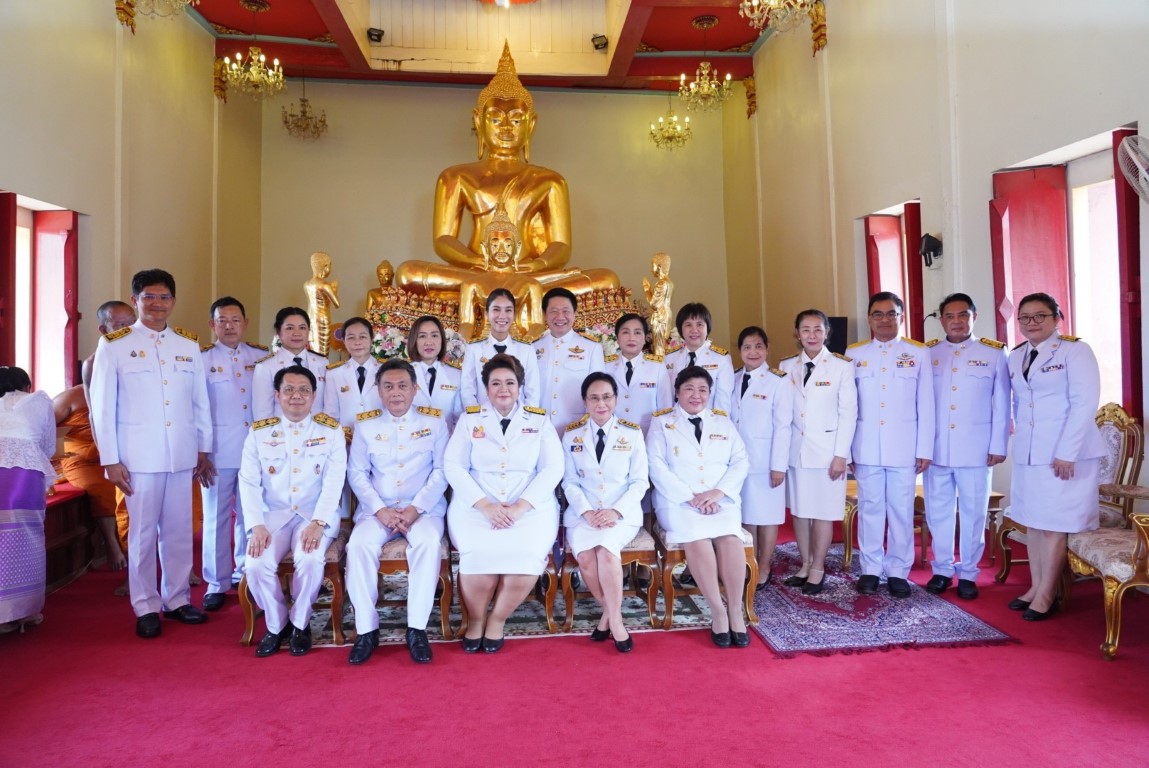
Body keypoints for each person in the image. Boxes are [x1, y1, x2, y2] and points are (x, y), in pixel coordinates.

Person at [393, 42, 619, 337]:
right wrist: (479, 262)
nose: (506, 127)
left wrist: (535, 265)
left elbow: (561, 246)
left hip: (531, 275)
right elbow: (443, 240)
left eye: (516, 119)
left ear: (531, 125)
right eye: (496, 119)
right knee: (407, 272)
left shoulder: (550, 180)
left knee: (607, 279)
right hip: (474, 272)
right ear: (478, 121)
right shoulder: (456, 176)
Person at [89, 269, 213, 638]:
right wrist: (110, 459)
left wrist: (203, 447)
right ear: (136, 301)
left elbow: (200, 402)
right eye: (149, 297)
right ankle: (145, 605)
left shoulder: (187, 345)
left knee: (178, 532)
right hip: (137, 458)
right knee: (142, 534)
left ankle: (177, 599)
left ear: (173, 301)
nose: (157, 304)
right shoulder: (114, 345)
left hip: (180, 454)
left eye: (164, 297)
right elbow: (102, 408)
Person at [445, 354, 563, 653]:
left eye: (510, 382)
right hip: (476, 507)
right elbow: (453, 466)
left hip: (529, 509)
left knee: (527, 553)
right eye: (495, 383)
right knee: (477, 555)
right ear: (486, 388)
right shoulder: (470, 420)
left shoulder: (538, 420)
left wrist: (520, 507)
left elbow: (553, 468)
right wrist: (485, 506)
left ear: (519, 386)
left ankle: (497, 619)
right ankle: (475, 620)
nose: (503, 389)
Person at [1006, 292, 1106, 621]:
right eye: (1025, 317)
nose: (1031, 323)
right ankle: (1036, 587)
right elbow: (1020, 405)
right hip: (1031, 452)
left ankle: (1047, 595)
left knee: (1053, 525)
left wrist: (1067, 452)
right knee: (1035, 523)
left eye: (1040, 316)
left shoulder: (1075, 351)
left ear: (1057, 318)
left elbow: (1084, 403)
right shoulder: (1017, 355)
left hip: (1066, 455)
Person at [345, 360, 449, 665]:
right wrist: (380, 510)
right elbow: (357, 473)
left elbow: (442, 470)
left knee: (427, 544)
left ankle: (416, 628)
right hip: (378, 510)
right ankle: (367, 630)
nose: (396, 392)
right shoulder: (365, 425)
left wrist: (416, 508)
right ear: (378, 391)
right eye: (388, 386)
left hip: (423, 511)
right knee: (358, 545)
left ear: (415, 389)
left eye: (403, 385)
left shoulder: (435, 422)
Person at [239, 366, 346, 657]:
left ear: (314, 395)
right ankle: (277, 624)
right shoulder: (260, 432)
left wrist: (319, 522)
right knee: (255, 564)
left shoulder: (330, 431)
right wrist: (256, 525)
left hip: (315, 515)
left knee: (309, 558)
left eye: (303, 390)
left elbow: (334, 481)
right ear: (277, 395)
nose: (296, 396)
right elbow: (248, 481)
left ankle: (301, 623)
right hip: (272, 516)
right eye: (288, 390)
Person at [648, 366, 751, 648]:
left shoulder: (723, 422)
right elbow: (656, 466)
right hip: (679, 503)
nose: (696, 395)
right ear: (677, 393)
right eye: (689, 389)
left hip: (720, 500)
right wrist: (690, 497)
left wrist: (718, 493)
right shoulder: (662, 423)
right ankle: (718, 611)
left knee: (730, 538)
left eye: (703, 390)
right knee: (697, 538)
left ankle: (735, 610)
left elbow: (740, 461)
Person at [922, 293, 1010, 599]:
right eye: (949, 316)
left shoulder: (993, 353)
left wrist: (998, 444)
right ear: (941, 320)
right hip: (937, 449)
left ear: (974, 317)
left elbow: (1002, 402)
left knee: (974, 513)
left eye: (963, 315)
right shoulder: (929, 353)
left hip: (976, 449)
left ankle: (969, 572)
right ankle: (942, 570)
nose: (956, 321)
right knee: (938, 512)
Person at [848, 292, 935, 599]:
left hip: (904, 447)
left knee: (901, 510)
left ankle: (898, 570)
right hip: (866, 446)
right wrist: (847, 449)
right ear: (869, 318)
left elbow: (926, 403)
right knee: (870, 509)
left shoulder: (918, 352)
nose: (884, 320)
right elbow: (848, 405)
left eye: (891, 314)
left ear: (901, 317)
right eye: (878, 314)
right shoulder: (854, 353)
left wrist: (924, 449)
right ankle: (870, 569)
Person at [561, 372, 647, 653]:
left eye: (607, 397)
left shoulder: (632, 433)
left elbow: (639, 482)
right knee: (586, 557)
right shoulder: (571, 434)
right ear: (585, 402)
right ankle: (612, 614)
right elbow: (569, 482)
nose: (601, 404)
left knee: (606, 553)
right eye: (594, 398)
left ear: (616, 399)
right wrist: (586, 512)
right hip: (583, 514)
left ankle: (613, 622)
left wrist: (615, 511)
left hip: (621, 514)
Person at [778, 309, 856, 595]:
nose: (811, 335)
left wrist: (841, 455)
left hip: (827, 453)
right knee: (800, 511)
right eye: (805, 330)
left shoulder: (841, 366)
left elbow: (848, 413)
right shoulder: (786, 366)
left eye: (817, 329)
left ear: (826, 332)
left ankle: (819, 567)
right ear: (797, 334)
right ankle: (805, 563)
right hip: (796, 451)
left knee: (822, 512)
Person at [199, 296, 268, 612]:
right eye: (222, 320)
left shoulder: (261, 357)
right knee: (216, 517)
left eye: (235, 320)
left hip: (255, 452)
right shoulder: (201, 360)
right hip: (217, 452)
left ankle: (245, 573)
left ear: (245, 323)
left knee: (250, 515)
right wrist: (201, 451)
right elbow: (196, 409)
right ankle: (216, 582)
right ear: (212, 324)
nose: (229, 326)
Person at [730, 327, 792, 590]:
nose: (753, 352)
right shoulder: (733, 378)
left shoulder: (778, 381)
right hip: (737, 462)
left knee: (767, 517)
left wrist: (778, 465)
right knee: (746, 516)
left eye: (758, 346)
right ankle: (749, 563)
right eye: (747, 347)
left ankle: (764, 566)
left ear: (767, 349)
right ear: (740, 350)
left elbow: (783, 426)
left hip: (766, 461)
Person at [0, 367, 55, 634]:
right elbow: (48, 446)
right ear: (25, 385)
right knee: (23, 543)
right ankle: (20, 613)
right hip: (23, 476)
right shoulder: (39, 400)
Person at [53, 384, 126, 573]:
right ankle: (111, 543)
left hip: (114, 455)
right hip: (81, 460)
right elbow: (45, 429)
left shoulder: (121, 390)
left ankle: (136, 544)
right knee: (103, 489)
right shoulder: (69, 398)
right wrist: (55, 457)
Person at [533, 287, 606, 430]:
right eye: (554, 311)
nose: (560, 317)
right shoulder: (533, 347)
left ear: (574, 314)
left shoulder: (591, 347)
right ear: (544, 315)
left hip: (577, 427)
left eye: (566, 311)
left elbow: (598, 391)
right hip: (540, 426)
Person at [459, 289, 540, 408]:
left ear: (514, 314)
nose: (502, 316)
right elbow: (468, 389)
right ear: (487, 313)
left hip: (518, 417)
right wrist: (477, 416)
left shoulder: (526, 349)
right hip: (482, 416)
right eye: (496, 309)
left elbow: (533, 391)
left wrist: (524, 418)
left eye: (508, 310)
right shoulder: (474, 348)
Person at [252, 307, 328, 421]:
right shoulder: (265, 367)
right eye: (290, 328)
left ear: (309, 331)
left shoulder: (322, 363)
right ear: (278, 332)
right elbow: (262, 413)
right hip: (281, 431)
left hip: (317, 430)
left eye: (302, 328)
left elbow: (328, 405)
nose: (297, 333)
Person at [603, 313, 672, 435]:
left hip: (647, 435)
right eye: (625, 332)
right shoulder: (605, 366)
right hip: (612, 435)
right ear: (617, 338)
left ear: (645, 338)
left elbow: (665, 408)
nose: (631, 338)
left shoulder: (657, 367)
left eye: (637, 332)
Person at [664, 303, 734, 413]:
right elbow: (666, 397)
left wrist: (717, 423)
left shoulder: (721, 359)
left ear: (707, 328)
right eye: (688, 325)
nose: (694, 330)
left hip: (708, 421)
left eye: (699, 324)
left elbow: (723, 402)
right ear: (680, 329)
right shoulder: (669, 358)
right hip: (675, 420)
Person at [323, 316, 384, 434]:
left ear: (371, 339)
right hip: (347, 438)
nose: (357, 342)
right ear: (344, 341)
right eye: (351, 338)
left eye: (362, 337)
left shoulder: (386, 370)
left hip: (381, 436)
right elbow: (331, 413)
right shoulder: (334, 373)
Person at [408, 315, 464, 433]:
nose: (429, 342)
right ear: (414, 340)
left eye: (434, 335)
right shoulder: (403, 373)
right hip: (410, 440)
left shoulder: (457, 375)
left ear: (442, 340)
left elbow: (459, 419)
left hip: (446, 440)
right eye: (422, 336)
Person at [303, 251, 340, 356]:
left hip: (310, 317)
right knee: (322, 352)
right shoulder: (324, 285)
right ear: (325, 267)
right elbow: (336, 304)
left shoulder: (307, 284)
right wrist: (334, 289)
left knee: (312, 348)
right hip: (322, 318)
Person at [642, 252, 674, 357]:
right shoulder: (669, 282)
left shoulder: (661, 283)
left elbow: (654, 304)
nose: (652, 270)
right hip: (666, 314)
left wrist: (647, 290)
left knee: (659, 347)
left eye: (653, 266)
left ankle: (659, 365)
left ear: (659, 267)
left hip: (660, 317)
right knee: (663, 344)